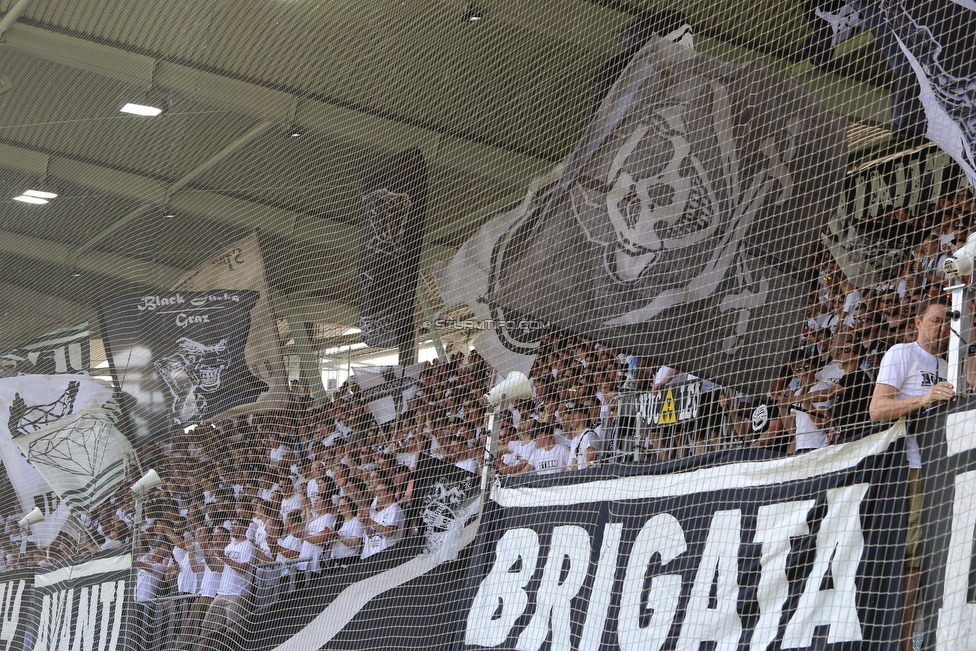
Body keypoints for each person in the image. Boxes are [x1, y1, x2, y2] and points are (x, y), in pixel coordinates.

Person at [870, 295, 954, 651]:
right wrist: (923, 399)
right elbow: (877, 408)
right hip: (912, 469)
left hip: (947, 469)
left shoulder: (953, 364)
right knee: (912, 562)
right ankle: (904, 642)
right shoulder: (902, 353)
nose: (943, 327)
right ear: (918, 323)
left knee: (943, 558)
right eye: (935, 320)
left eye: (947, 321)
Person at [360, 482, 404, 559]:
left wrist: (369, 521)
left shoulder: (394, 508)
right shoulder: (379, 514)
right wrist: (365, 521)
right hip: (374, 555)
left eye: (381, 491)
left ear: (390, 492)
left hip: (387, 554)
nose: (378, 494)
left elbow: (389, 532)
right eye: (377, 491)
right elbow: (370, 535)